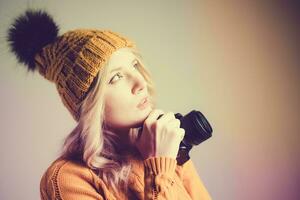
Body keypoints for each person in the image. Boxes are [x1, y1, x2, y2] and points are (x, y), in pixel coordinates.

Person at [7, 9, 212, 200]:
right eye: (116, 78)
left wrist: (163, 160)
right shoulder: (67, 179)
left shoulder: (167, 146)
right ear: (88, 104)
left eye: (134, 66)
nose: (140, 83)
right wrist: (159, 168)